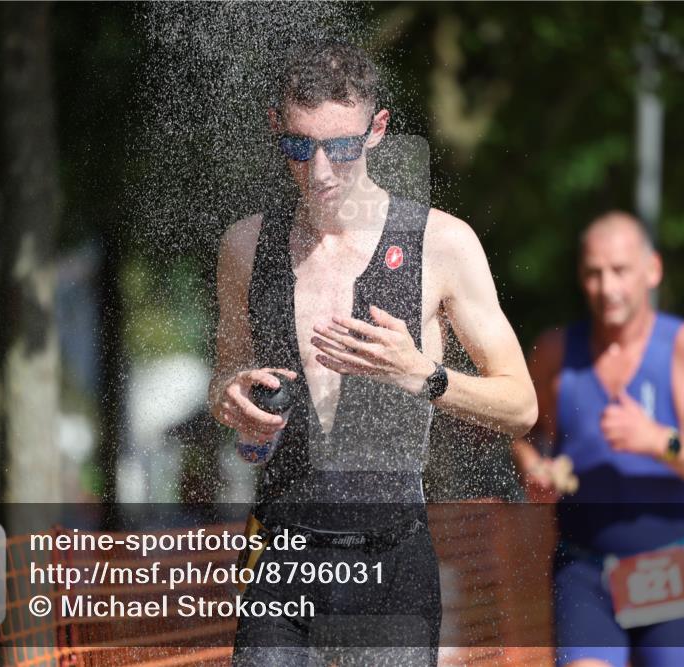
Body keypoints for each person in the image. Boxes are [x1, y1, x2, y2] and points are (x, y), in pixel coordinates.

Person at [208, 39, 537, 666]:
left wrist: (423, 375)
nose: (321, 170)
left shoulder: (441, 243)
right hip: (280, 556)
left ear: (377, 130)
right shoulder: (245, 247)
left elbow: (521, 405)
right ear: (276, 126)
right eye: (300, 147)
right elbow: (227, 371)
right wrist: (228, 395)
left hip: (392, 559)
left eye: (341, 147)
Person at [513, 211, 684, 667]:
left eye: (620, 270)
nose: (607, 287)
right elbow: (522, 433)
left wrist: (660, 441)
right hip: (583, 567)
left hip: (666, 567)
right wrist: (532, 464)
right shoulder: (556, 352)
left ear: (652, 270)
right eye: (594, 273)